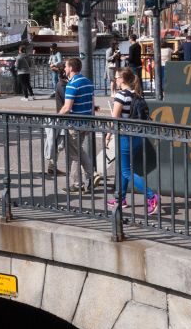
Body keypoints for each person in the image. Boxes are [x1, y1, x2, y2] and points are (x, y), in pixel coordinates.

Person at [106, 67, 159, 215]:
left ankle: (151, 196)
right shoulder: (136, 94)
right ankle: (120, 199)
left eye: (117, 77)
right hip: (137, 137)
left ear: (122, 79)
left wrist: (108, 136)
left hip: (124, 137)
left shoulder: (120, 96)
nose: (115, 80)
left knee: (126, 171)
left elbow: (115, 118)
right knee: (125, 169)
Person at [58, 57, 99, 193]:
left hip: (74, 123)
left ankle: (77, 183)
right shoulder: (88, 82)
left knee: (74, 154)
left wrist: (56, 118)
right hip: (85, 122)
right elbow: (92, 105)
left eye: (66, 66)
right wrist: (91, 121)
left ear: (71, 68)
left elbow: (67, 107)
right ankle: (91, 175)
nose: (64, 68)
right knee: (78, 150)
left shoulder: (72, 85)